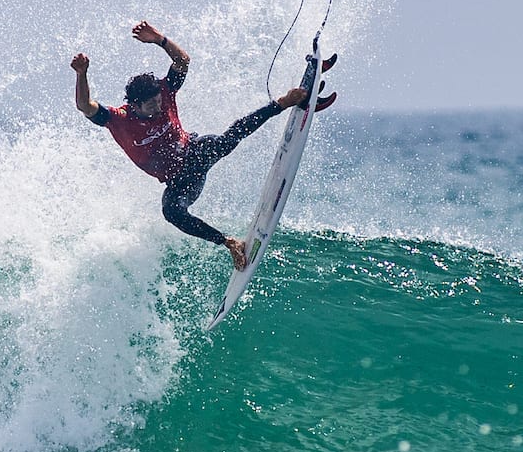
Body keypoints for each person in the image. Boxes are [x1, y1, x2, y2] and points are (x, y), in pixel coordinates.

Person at [73, 21, 336, 270]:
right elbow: (85, 106)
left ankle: (283, 102)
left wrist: (160, 40)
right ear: (135, 105)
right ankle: (228, 242)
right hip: (180, 182)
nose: (159, 106)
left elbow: (182, 61)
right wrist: (82, 75)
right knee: (172, 212)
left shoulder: (164, 93)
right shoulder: (118, 119)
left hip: (195, 152)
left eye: (158, 101)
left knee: (229, 137)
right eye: (151, 104)